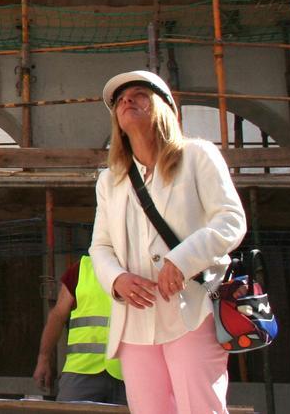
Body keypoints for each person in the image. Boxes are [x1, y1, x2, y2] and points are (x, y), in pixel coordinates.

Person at [89, 70, 247, 413]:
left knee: (199, 407)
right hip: (135, 320)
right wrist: (116, 279)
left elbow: (231, 220)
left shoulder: (198, 155)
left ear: (164, 107)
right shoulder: (109, 180)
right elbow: (100, 246)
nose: (127, 101)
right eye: (120, 100)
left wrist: (182, 259)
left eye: (138, 94)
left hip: (193, 309)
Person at [33, 255, 126, 404]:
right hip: (82, 369)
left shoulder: (141, 265)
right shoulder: (82, 268)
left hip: (128, 371)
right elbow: (57, 316)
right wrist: (43, 357)